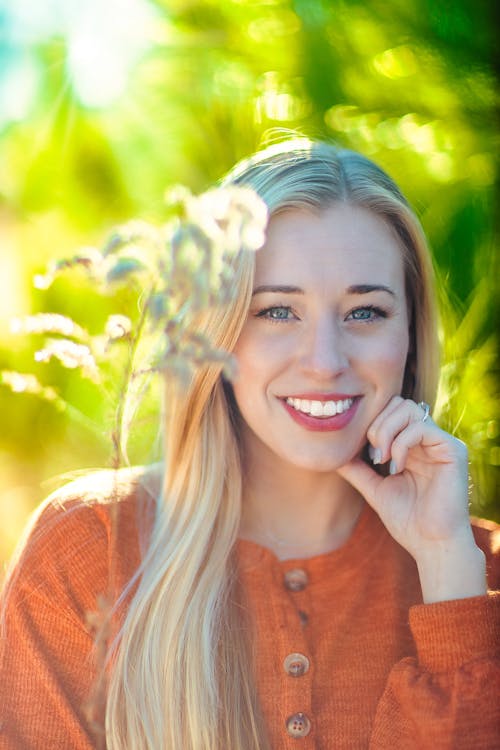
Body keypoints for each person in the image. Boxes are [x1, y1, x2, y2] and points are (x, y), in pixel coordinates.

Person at [0, 138, 499, 750]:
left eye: (365, 312)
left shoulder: (478, 576)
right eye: (277, 312)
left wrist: (449, 570)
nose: (324, 361)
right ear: (218, 333)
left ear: (412, 335)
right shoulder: (86, 553)